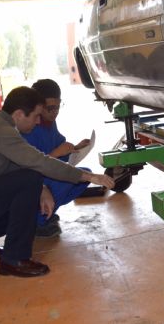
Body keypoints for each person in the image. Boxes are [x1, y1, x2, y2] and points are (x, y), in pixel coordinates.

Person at [0, 86, 115, 278]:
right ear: (20, 114)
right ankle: (14, 259)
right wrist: (88, 176)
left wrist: (42, 188)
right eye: (36, 116)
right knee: (30, 180)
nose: (38, 121)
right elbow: (38, 162)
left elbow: (16, 167)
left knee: (29, 186)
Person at [23, 79, 104, 237]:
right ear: (37, 107)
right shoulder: (29, 128)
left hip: (47, 174)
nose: (55, 112)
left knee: (85, 175)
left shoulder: (50, 124)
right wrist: (58, 153)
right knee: (64, 182)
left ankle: (46, 212)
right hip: (33, 179)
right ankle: (38, 222)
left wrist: (76, 148)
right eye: (50, 108)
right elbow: (28, 165)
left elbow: (59, 150)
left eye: (58, 107)